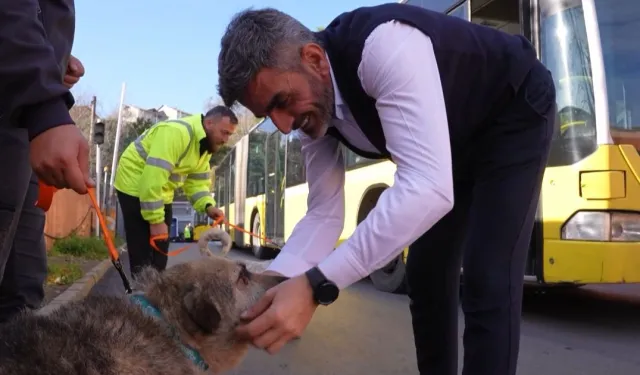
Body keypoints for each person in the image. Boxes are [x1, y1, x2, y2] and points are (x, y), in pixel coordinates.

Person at [217, 4, 557, 375]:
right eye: (269, 115)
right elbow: (324, 213)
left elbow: (427, 184)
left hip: (511, 110)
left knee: (487, 276)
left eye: (281, 102)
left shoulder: (382, 46)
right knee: (426, 274)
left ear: (314, 59)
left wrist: (317, 285)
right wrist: (274, 285)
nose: (284, 126)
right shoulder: (310, 111)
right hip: (452, 144)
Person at [0, 0, 90, 323]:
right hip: (21, 118)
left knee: (22, 299)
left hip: (23, 129)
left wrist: (53, 59)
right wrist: (44, 102)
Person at [113, 106, 237, 278]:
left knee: (159, 257)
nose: (226, 139)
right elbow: (152, 179)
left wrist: (208, 206)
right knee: (143, 256)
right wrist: (155, 221)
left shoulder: (203, 147)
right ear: (209, 123)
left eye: (229, 135)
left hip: (160, 192)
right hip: (133, 184)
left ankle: (154, 297)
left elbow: (197, 183)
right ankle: (141, 300)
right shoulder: (176, 133)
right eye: (224, 132)